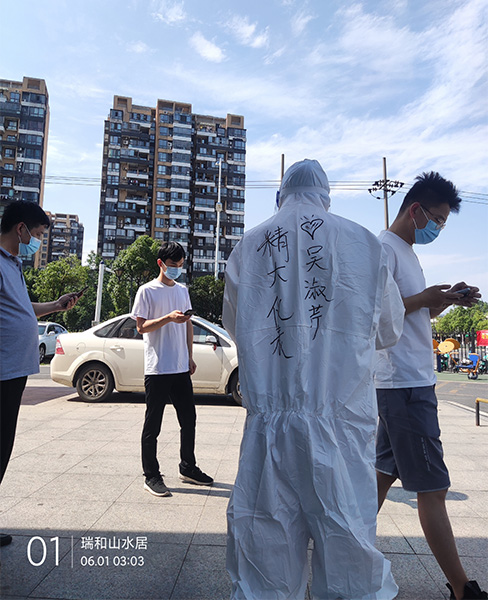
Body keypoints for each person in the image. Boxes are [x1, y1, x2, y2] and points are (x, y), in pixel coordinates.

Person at [223, 159, 405, 600]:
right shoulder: (366, 243)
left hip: (269, 426)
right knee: (348, 551)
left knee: (264, 550)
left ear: (281, 196)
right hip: (341, 423)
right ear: (326, 198)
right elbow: (389, 331)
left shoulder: (249, 245)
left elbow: (235, 325)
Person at [374, 172, 486, 600]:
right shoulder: (385, 249)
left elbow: (409, 312)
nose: (438, 227)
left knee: (381, 476)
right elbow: (376, 314)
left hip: (406, 381)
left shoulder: (407, 250)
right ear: (415, 210)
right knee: (433, 488)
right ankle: (462, 588)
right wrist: (424, 298)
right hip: (404, 382)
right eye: (436, 219)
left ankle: (341, 550)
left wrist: (442, 300)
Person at [0, 200, 80, 547]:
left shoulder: (13, 264)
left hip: (14, 371)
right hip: (2, 372)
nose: (38, 241)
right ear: (20, 229)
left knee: (3, 447)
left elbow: (23, 308)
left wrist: (56, 305)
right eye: (37, 234)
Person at [132, 241, 213, 497]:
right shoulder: (147, 291)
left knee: (189, 419)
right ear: (161, 264)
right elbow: (141, 327)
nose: (176, 268)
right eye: (172, 264)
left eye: (180, 264)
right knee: (153, 425)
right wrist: (168, 318)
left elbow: (188, 324)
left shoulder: (182, 290)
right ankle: (151, 475)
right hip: (158, 367)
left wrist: (189, 356)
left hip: (180, 366)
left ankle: (188, 467)